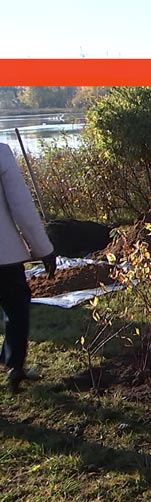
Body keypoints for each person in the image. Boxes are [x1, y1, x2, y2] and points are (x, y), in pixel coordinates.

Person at [0, 142, 57, 392]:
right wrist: (44, 249)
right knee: (15, 307)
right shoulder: (1, 153)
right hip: (3, 256)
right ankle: (14, 365)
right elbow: (22, 207)